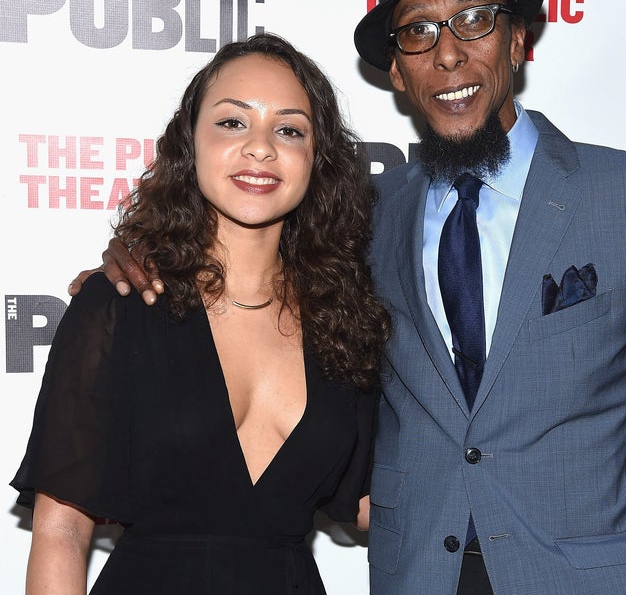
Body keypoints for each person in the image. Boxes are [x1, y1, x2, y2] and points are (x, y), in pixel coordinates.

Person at [70, 0, 626, 595]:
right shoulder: (363, 215)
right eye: (418, 32)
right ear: (399, 74)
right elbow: (238, 254)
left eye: (474, 19)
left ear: (518, 38)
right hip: (418, 575)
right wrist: (135, 259)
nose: (448, 53)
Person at [12, 33, 390, 594]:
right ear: (190, 142)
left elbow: (369, 503)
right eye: (233, 122)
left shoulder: (343, 321)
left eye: (289, 129)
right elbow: (62, 530)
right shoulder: (120, 305)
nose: (260, 148)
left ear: (317, 158)